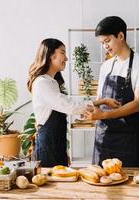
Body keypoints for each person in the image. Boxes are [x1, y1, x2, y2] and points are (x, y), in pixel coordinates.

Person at [27, 38, 120, 167]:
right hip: (48, 147)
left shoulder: (50, 82)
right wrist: (101, 103)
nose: (66, 58)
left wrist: (64, 152)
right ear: (50, 55)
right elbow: (70, 107)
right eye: (63, 53)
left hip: (56, 144)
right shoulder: (42, 83)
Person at [84, 16, 139, 167]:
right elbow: (100, 98)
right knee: (100, 182)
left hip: (128, 140)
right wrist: (93, 111)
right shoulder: (105, 66)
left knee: (128, 186)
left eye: (107, 41)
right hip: (103, 138)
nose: (105, 47)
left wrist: (104, 115)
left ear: (121, 36)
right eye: (102, 43)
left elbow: (137, 104)